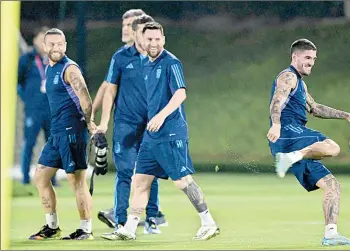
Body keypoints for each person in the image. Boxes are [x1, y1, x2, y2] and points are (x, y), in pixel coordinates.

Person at [102, 22, 219, 241]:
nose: (154, 43)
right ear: (142, 41)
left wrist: (160, 116)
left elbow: (180, 94)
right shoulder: (147, 64)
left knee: (182, 181)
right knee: (140, 181)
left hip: (171, 133)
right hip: (152, 135)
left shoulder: (171, 62)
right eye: (150, 39)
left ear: (163, 40)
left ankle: (208, 222)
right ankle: (129, 227)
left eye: (158, 39)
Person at [267, 39, 350, 246]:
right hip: (288, 132)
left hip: (295, 141)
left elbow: (315, 108)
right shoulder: (288, 76)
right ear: (295, 57)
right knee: (333, 147)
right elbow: (277, 100)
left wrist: (347, 116)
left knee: (332, 186)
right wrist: (275, 124)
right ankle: (289, 157)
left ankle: (330, 235)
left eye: (313, 59)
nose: (311, 62)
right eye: (307, 58)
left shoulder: (301, 84)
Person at [94, 9, 167, 230]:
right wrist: (104, 122)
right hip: (126, 125)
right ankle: (120, 220)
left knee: (149, 172)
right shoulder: (120, 57)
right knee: (125, 172)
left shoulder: (162, 59)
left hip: (152, 126)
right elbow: (110, 91)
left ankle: (153, 218)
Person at [29, 28, 96, 240]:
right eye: (52, 44)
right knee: (40, 178)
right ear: (44, 46)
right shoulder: (50, 69)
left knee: (76, 182)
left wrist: (90, 124)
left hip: (72, 133)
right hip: (56, 134)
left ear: (65, 45)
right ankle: (52, 227)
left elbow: (85, 99)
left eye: (60, 44)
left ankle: (86, 230)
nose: (56, 48)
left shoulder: (70, 69)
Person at [17, 26, 57, 186]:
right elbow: (17, 82)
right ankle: (25, 178)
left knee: (53, 145)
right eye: (41, 40)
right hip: (33, 110)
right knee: (29, 143)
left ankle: (52, 178)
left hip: (51, 109)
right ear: (34, 41)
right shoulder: (27, 60)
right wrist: (27, 99)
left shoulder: (55, 60)